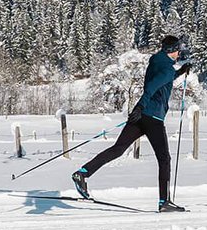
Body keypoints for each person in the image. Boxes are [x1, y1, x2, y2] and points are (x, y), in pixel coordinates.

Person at [73, 35, 195, 212]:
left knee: (118, 149)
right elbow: (152, 87)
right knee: (164, 159)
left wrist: (180, 71)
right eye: (177, 49)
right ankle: (164, 202)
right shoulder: (167, 68)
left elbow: (161, 79)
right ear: (172, 50)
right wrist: (140, 106)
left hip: (141, 116)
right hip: (153, 118)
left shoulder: (157, 60)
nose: (179, 52)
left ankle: (83, 173)